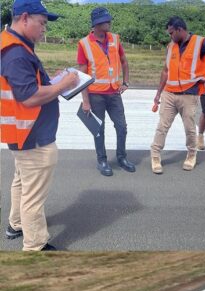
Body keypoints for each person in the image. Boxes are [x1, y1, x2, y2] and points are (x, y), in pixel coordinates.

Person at [1, 0, 80, 251]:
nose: (45, 29)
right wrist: (64, 84)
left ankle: (16, 224)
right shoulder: (16, 53)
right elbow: (30, 97)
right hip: (32, 136)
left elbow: (28, 86)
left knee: (22, 182)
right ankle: (35, 246)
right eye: (42, 23)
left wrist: (51, 80)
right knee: (33, 196)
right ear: (25, 17)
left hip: (22, 135)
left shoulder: (14, 45)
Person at [150, 16, 205, 174]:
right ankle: (155, 156)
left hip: (189, 95)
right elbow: (165, 71)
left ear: (179, 29)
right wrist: (158, 94)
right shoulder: (171, 46)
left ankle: (191, 155)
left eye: (171, 33)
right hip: (169, 94)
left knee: (190, 129)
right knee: (162, 127)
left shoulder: (200, 43)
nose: (170, 36)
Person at [77, 7, 135, 176]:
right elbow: (82, 75)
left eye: (109, 19)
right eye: (105, 20)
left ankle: (121, 157)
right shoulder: (84, 44)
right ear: (96, 23)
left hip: (114, 93)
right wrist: (85, 101)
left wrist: (126, 81)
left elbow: (124, 61)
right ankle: (102, 160)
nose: (109, 22)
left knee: (121, 126)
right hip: (95, 95)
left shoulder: (115, 39)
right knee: (98, 129)